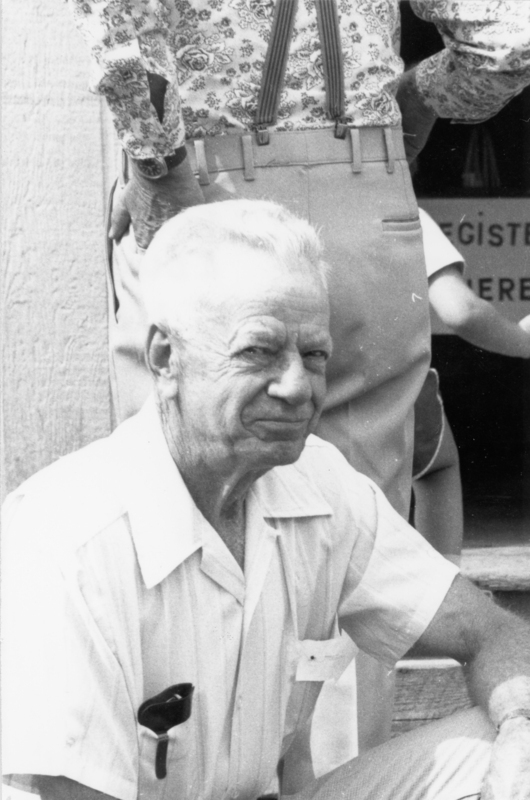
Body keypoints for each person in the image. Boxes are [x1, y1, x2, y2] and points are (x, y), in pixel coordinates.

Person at [3, 200, 530, 800]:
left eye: (314, 355)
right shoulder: (67, 538)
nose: (298, 386)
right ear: (165, 358)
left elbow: (487, 630)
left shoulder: (317, 480)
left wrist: (519, 729)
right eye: (258, 351)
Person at [411, 208, 530, 564]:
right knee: (436, 468)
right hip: (383, 383)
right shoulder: (399, 209)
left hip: (278, 377)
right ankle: (440, 592)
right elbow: (460, 311)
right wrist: (523, 340)